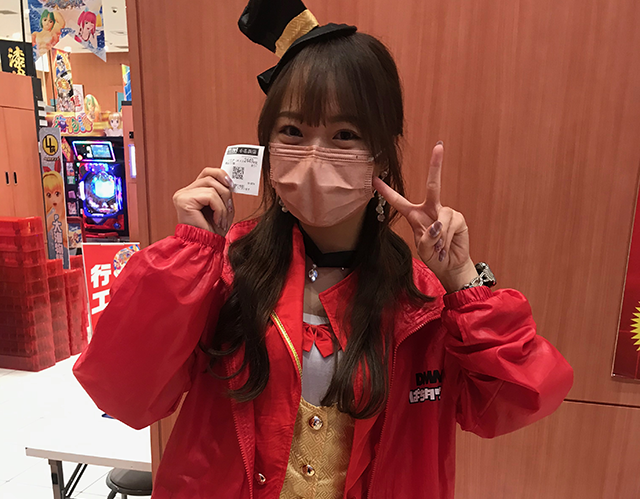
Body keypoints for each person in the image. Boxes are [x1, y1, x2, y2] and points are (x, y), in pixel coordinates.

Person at [73, 1, 574, 497]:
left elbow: (521, 398)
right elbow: (123, 393)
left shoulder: (421, 303)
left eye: (344, 135)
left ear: (381, 153)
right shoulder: (225, 270)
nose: (314, 157)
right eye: (293, 131)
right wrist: (188, 252)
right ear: (267, 147)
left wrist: (463, 282)